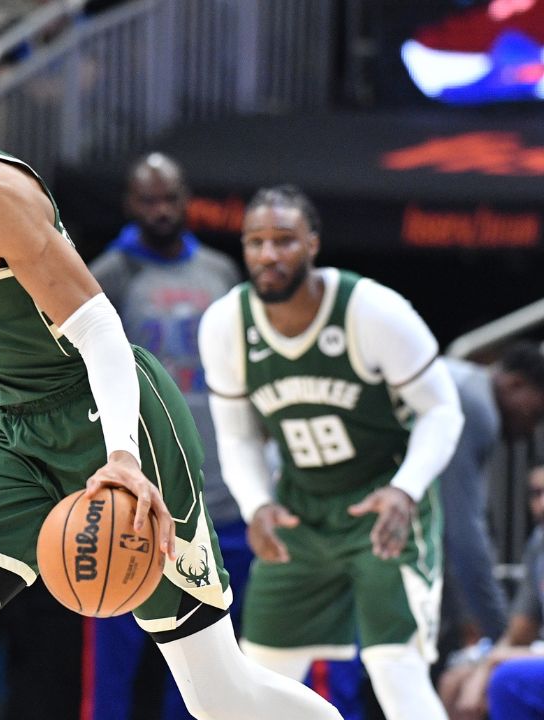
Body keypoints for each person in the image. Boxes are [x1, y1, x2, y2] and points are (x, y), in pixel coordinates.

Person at [0, 17, 341, 720]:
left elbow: (104, 333)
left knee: (217, 694)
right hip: (15, 431)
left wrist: (121, 457)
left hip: (114, 420)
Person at [199, 185, 465, 720]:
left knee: (397, 671)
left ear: (313, 245)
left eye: (284, 241)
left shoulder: (373, 311)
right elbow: (238, 435)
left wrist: (405, 490)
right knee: (259, 681)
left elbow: (442, 411)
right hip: (300, 508)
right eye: (256, 242)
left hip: (380, 508)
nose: (268, 255)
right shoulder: (226, 323)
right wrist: (257, 506)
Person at [88, 151, 246, 719]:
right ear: (130, 204)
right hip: (137, 495)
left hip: (216, 490)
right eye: (147, 200)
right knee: (115, 666)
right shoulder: (106, 274)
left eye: (169, 198)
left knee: (205, 661)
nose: (159, 210)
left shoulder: (221, 273)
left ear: (185, 200)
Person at [441, 343, 544, 645]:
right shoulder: (476, 406)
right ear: (515, 383)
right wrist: (503, 637)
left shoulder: (460, 377)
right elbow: (464, 534)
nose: (530, 430)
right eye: (536, 413)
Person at [440, 464, 544, 720]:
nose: (542, 502)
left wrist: (494, 664)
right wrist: (484, 666)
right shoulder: (539, 546)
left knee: (507, 679)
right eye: (536, 493)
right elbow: (519, 632)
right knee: (454, 681)